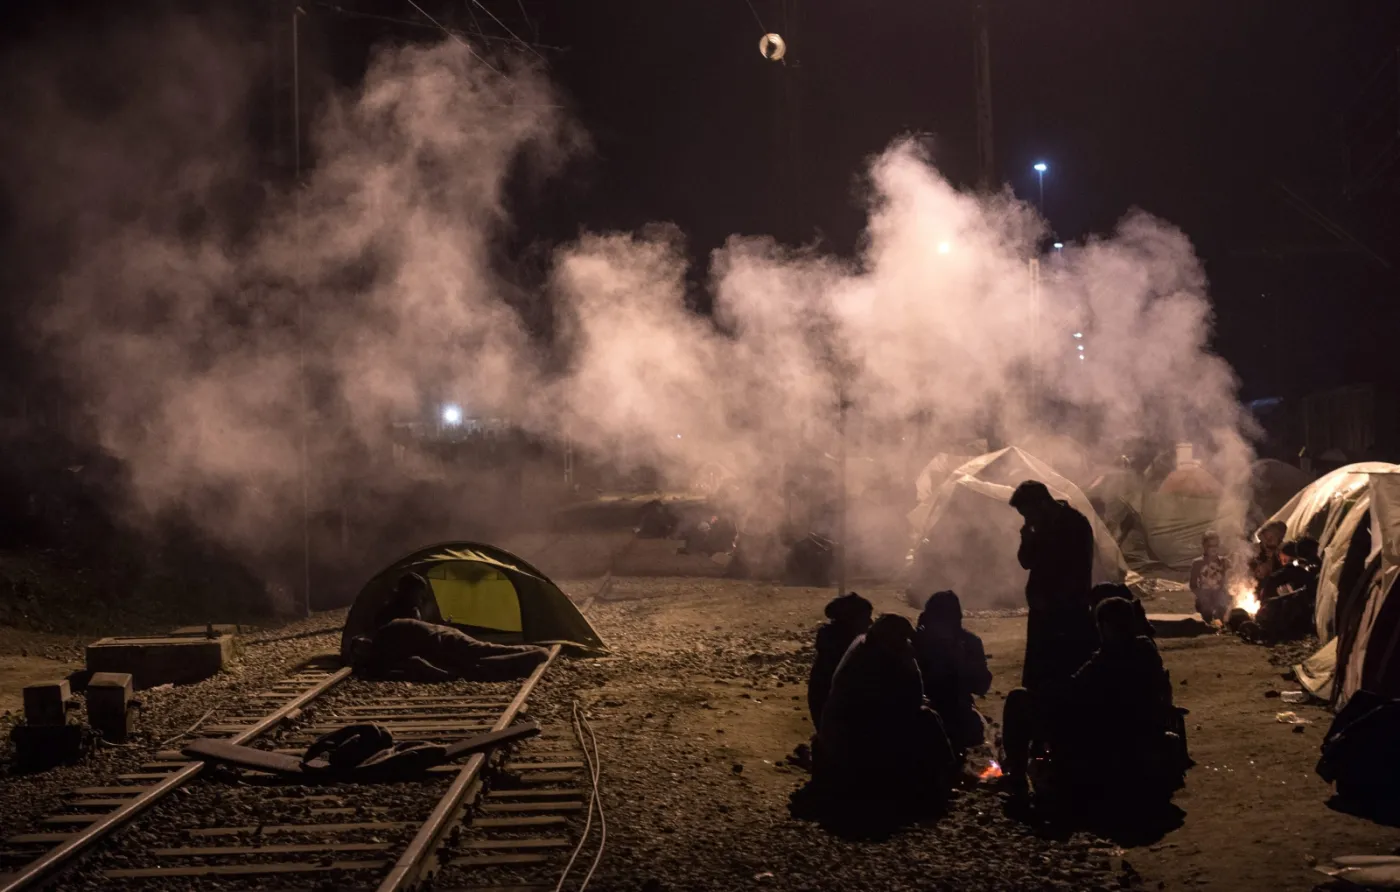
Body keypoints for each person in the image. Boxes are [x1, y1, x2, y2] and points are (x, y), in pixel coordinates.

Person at [1001, 597, 1182, 808]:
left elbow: (1074, 690)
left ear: (1105, 627)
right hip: (1137, 736)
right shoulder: (1145, 649)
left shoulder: (1107, 659)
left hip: (1103, 741)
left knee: (1018, 699)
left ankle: (1017, 781)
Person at [814, 614, 955, 820]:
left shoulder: (863, 649)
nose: (906, 644)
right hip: (856, 744)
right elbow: (904, 705)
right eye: (902, 640)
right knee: (927, 719)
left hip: (848, 739)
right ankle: (940, 783)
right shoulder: (871, 661)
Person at [1010, 481, 1097, 691]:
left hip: (1066, 609)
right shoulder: (1039, 527)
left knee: (1065, 669)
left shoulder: (1074, 524)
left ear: (1041, 504)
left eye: (1028, 513)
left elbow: (1077, 568)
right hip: (1044, 609)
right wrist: (1027, 538)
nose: (1027, 519)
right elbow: (1026, 562)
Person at [349, 618, 550, 682]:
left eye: (361, 647)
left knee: (484, 654)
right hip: (446, 638)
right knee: (486, 652)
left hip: (446, 643)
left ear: (367, 642)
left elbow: (416, 662)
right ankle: (533, 653)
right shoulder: (387, 633)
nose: (364, 650)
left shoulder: (385, 640)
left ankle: (535, 654)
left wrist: (445, 676)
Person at [914, 591, 992, 753]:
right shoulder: (917, 642)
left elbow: (982, 685)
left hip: (959, 711)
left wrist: (960, 661)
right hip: (923, 711)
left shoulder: (968, 643)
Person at [808, 592, 874, 729]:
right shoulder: (845, 651)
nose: (870, 622)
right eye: (865, 617)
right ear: (850, 619)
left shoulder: (833, 643)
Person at [1189, 531, 1231, 624]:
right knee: (1206, 612)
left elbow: (1231, 579)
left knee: (1221, 605)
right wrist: (1200, 595)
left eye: (1215, 545)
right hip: (1204, 594)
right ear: (1204, 546)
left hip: (1219, 594)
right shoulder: (1197, 563)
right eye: (1210, 546)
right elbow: (1193, 585)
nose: (1213, 549)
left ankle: (1220, 618)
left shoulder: (1224, 562)